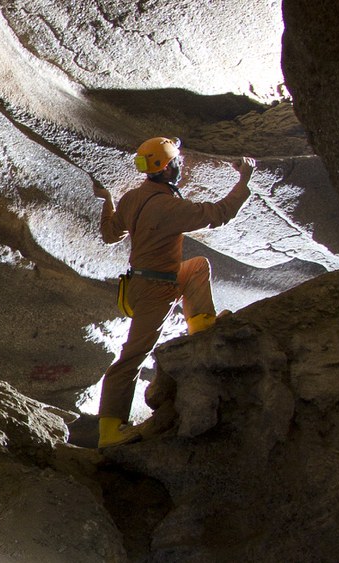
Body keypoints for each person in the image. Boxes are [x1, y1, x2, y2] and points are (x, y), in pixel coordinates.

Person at [91, 137, 255, 448]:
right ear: (169, 168)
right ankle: (109, 432)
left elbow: (110, 234)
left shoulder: (131, 198)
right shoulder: (169, 206)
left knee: (196, 266)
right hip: (156, 288)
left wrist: (108, 199)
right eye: (177, 161)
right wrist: (244, 179)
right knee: (131, 358)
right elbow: (220, 213)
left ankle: (203, 327)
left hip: (145, 282)